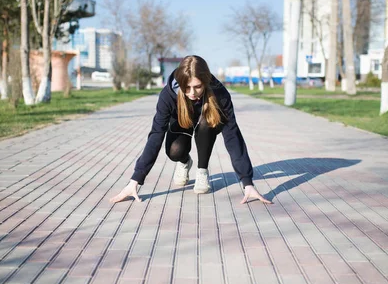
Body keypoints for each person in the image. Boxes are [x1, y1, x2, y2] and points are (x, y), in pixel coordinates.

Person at [110, 55, 272, 205]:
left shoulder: (220, 94)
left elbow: (232, 136)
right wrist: (135, 180)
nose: (192, 93)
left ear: (206, 81)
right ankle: (184, 161)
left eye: (197, 87)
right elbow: (156, 135)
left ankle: (202, 170)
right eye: (186, 88)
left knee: (206, 124)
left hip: (206, 125)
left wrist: (247, 182)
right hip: (182, 121)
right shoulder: (168, 96)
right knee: (174, 151)